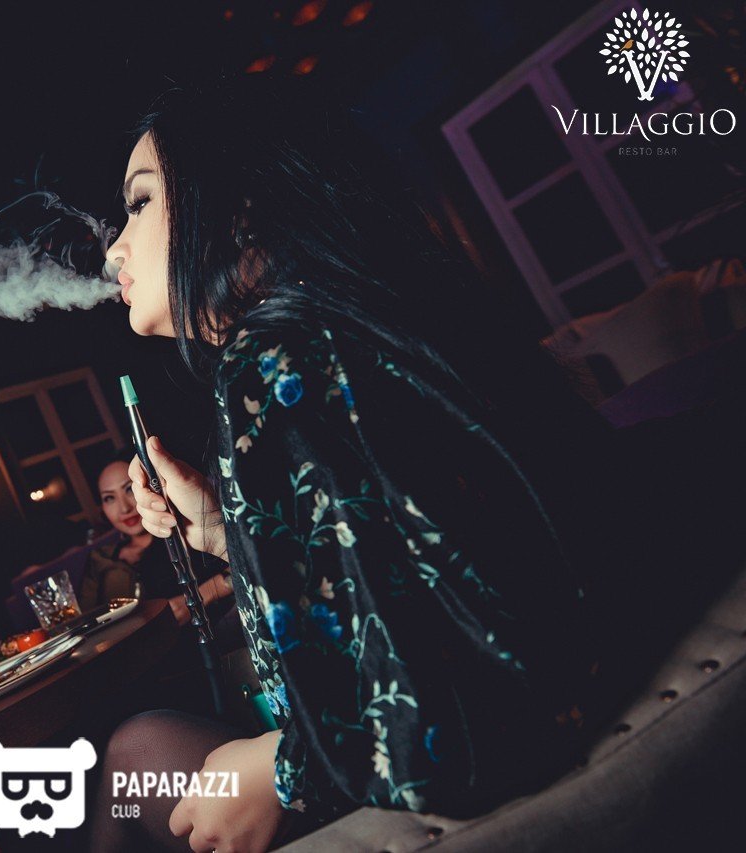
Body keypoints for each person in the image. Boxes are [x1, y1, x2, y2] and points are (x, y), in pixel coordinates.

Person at [85, 78, 738, 853]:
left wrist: (284, 770)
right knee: (135, 751)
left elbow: (456, 707)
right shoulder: (347, 324)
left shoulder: (275, 362)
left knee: (131, 756)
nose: (113, 248)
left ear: (240, 208)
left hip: (432, 777)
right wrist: (231, 529)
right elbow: (410, 566)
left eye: (140, 203)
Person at [81, 448, 235, 627]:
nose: (124, 508)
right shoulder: (100, 558)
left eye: (129, 489)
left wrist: (201, 596)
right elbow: (85, 620)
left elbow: (245, 561)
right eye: (109, 498)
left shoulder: (185, 532)